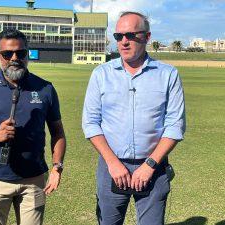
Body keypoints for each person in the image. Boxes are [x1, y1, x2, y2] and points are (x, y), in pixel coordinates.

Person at [82, 11, 185, 225]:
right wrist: (113, 163)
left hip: (153, 167)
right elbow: (91, 122)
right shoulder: (101, 74)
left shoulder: (167, 74)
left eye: (131, 35)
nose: (124, 41)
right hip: (111, 167)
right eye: (119, 36)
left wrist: (149, 165)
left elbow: (175, 125)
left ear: (147, 37)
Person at [0, 29, 66, 225]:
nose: (14, 58)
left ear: (27, 54)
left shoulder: (45, 89)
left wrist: (57, 167)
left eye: (20, 53)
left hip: (33, 181)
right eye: (7, 54)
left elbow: (57, 132)